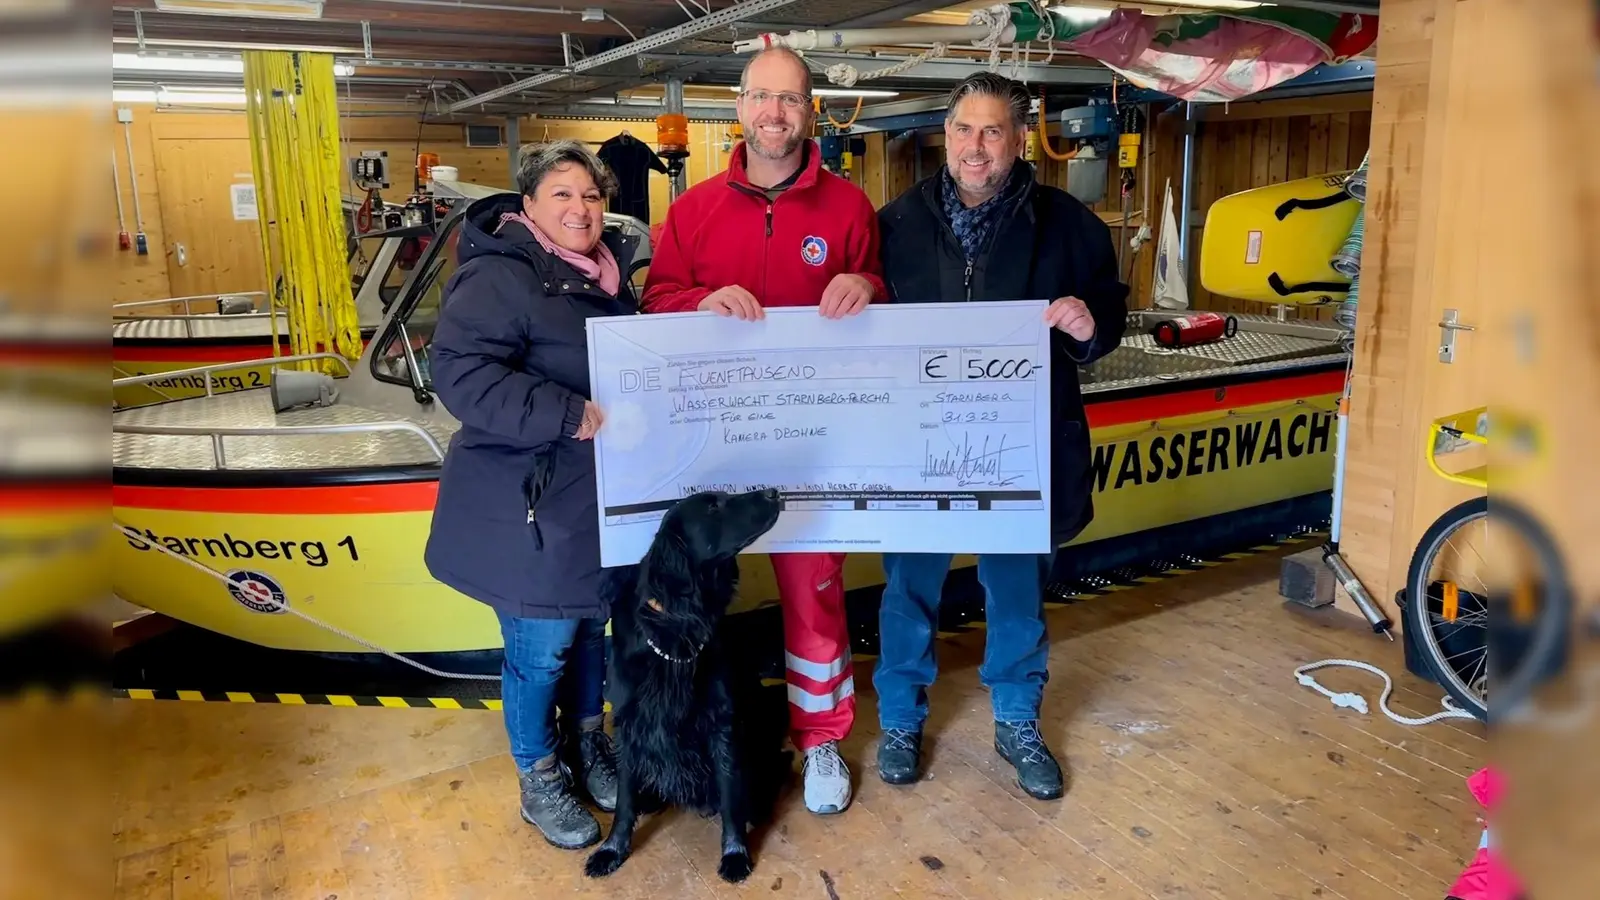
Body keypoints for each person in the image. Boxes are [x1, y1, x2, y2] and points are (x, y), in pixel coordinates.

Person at [640, 45, 885, 816]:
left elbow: (887, 299)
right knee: (693, 598)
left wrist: (866, 284)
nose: (776, 113)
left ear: (812, 110)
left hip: (812, 449)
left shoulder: (849, 209)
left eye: (792, 99)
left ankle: (821, 741)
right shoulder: (692, 211)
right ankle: (684, 737)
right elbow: (654, 305)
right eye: (762, 97)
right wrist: (700, 302)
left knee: (815, 599)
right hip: (710, 448)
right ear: (739, 106)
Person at [873, 72, 1129, 800]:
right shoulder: (895, 225)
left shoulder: (1068, 223)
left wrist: (1089, 326)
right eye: (963, 130)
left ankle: (1017, 718)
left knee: (1015, 589)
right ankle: (900, 718)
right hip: (919, 448)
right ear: (944, 136)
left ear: (1020, 141)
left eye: (992, 131)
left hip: (1022, 447)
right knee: (908, 588)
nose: (975, 146)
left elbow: (1107, 308)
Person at [423, 140, 642, 851]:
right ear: (528, 207)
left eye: (591, 196)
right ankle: (539, 773)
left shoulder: (608, 275)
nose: (581, 209)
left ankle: (586, 742)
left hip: (592, 502)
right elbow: (458, 372)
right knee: (541, 649)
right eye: (562, 195)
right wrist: (561, 410)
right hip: (532, 506)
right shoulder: (501, 275)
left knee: (588, 634)